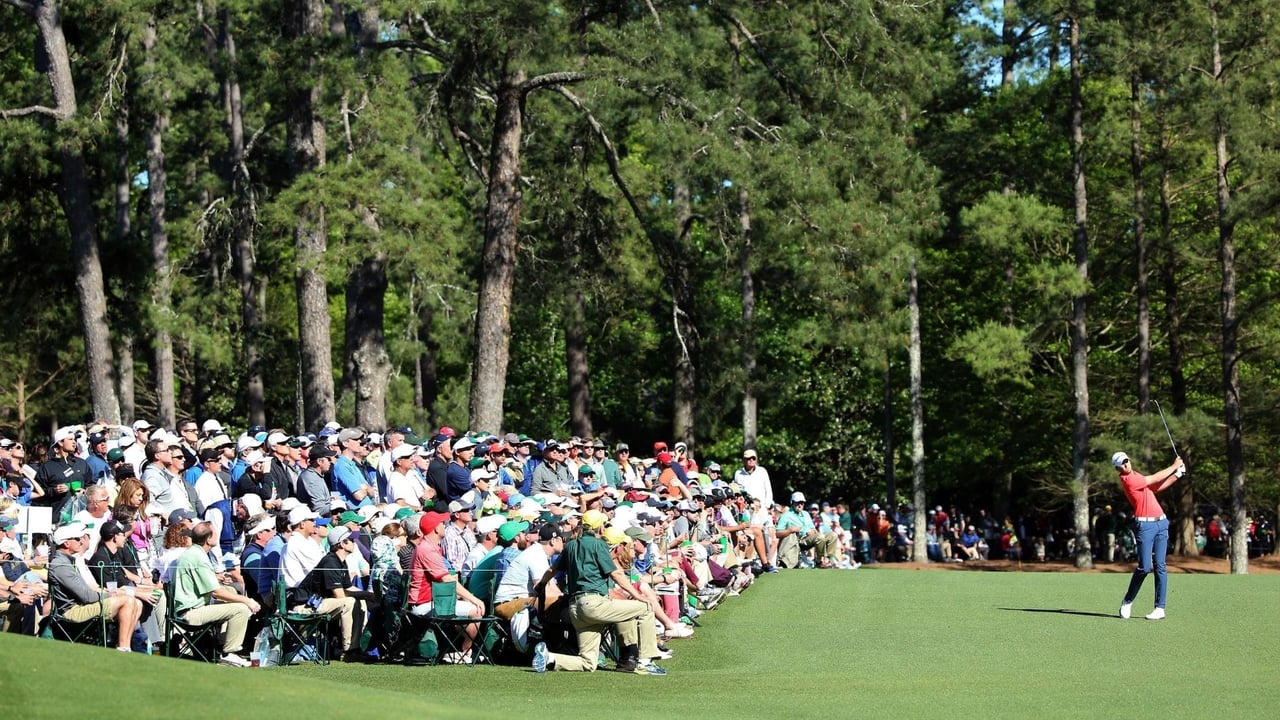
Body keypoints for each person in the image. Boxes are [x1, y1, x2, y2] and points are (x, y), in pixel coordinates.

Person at [530, 509, 667, 675]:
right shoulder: (599, 544)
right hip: (594, 604)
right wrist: (639, 596)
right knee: (646, 607)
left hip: (576, 609)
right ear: (599, 528)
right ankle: (645, 661)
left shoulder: (571, 545)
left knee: (588, 663)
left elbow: (552, 570)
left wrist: (540, 586)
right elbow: (616, 574)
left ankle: (549, 658)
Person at [171, 521, 261, 666]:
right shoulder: (198, 557)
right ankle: (229, 652)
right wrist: (247, 601)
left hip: (192, 607)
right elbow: (216, 592)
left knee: (231, 591)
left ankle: (220, 645)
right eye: (215, 532)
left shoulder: (195, 553)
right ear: (208, 539)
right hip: (190, 613)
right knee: (241, 609)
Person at [1113, 451, 1184, 620]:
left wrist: (1177, 475)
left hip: (1161, 523)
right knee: (1145, 567)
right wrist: (1174, 466)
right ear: (1117, 468)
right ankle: (1128, 601)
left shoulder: (1136, 475)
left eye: (1126, 461)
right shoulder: (1129, 479)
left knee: (1160, 566)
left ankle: (1160, 608)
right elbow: (1154, 478)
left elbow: (1155, 488)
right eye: (1121, 464)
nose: (1125, 464)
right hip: (1145, 526)